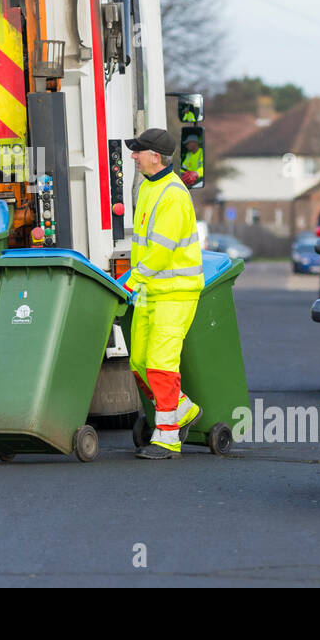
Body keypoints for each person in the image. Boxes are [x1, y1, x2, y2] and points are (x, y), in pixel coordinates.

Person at [125, 128, 205, 459]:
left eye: (138, 151)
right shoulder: (148, 187)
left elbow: (160, 250)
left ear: (155, 157)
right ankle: (182, 409)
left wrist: (132, 280)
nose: (133, 156)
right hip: (151, 290)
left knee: (160, 363)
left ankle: (168, 437)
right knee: (139, 362)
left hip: (174, 292)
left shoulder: (173, 194)